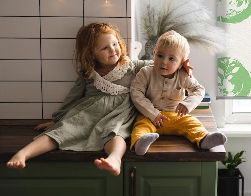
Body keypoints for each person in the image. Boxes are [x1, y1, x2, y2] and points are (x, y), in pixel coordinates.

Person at [6, 22, 152, 176]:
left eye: (115, 44)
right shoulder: (89, 73)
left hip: (119, 113)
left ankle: (114, 160)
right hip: (89, 112)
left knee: (115, 133)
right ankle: (24, 153)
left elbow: (156, 65)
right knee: (63, 130)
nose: (113, 50)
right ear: (91, 53)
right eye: (104, 48)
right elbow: (72, 97)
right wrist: (57, 119)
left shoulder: (132, 66)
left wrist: (179, 62)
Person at [130, 30, 227, 155]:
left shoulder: (183, 75)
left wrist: (188, 104)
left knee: (192, 123)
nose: (164, 61)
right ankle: (140, 142)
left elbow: (199, 90)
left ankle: (203, 139)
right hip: (150, 117)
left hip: (175, 116)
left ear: (182, 63)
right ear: (154, 53)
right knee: (140, 126)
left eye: (171, 59)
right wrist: (152, 113)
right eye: (160, 55)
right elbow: (136, 92)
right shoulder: (146, 72)